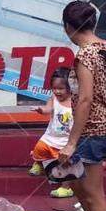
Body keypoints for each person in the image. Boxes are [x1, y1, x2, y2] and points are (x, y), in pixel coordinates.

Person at [58, 0, 106, 211]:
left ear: (67, 26)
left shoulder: (85, 55)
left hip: (93, 130)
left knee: (93, 194)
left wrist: (72, 141)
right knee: (78, 186)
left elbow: (85, 99)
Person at [30, 68, 75, 198]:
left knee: (64, 164)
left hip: (66, 140)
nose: (57, 91)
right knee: (39, 148)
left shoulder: (76, 102)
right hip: (50, 136)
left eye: (61, 88)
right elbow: (47, 109)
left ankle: (66, 188)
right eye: (54, 88)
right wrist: (40, 109)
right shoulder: (53, 99)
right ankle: (39, 164)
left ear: (70, 87)